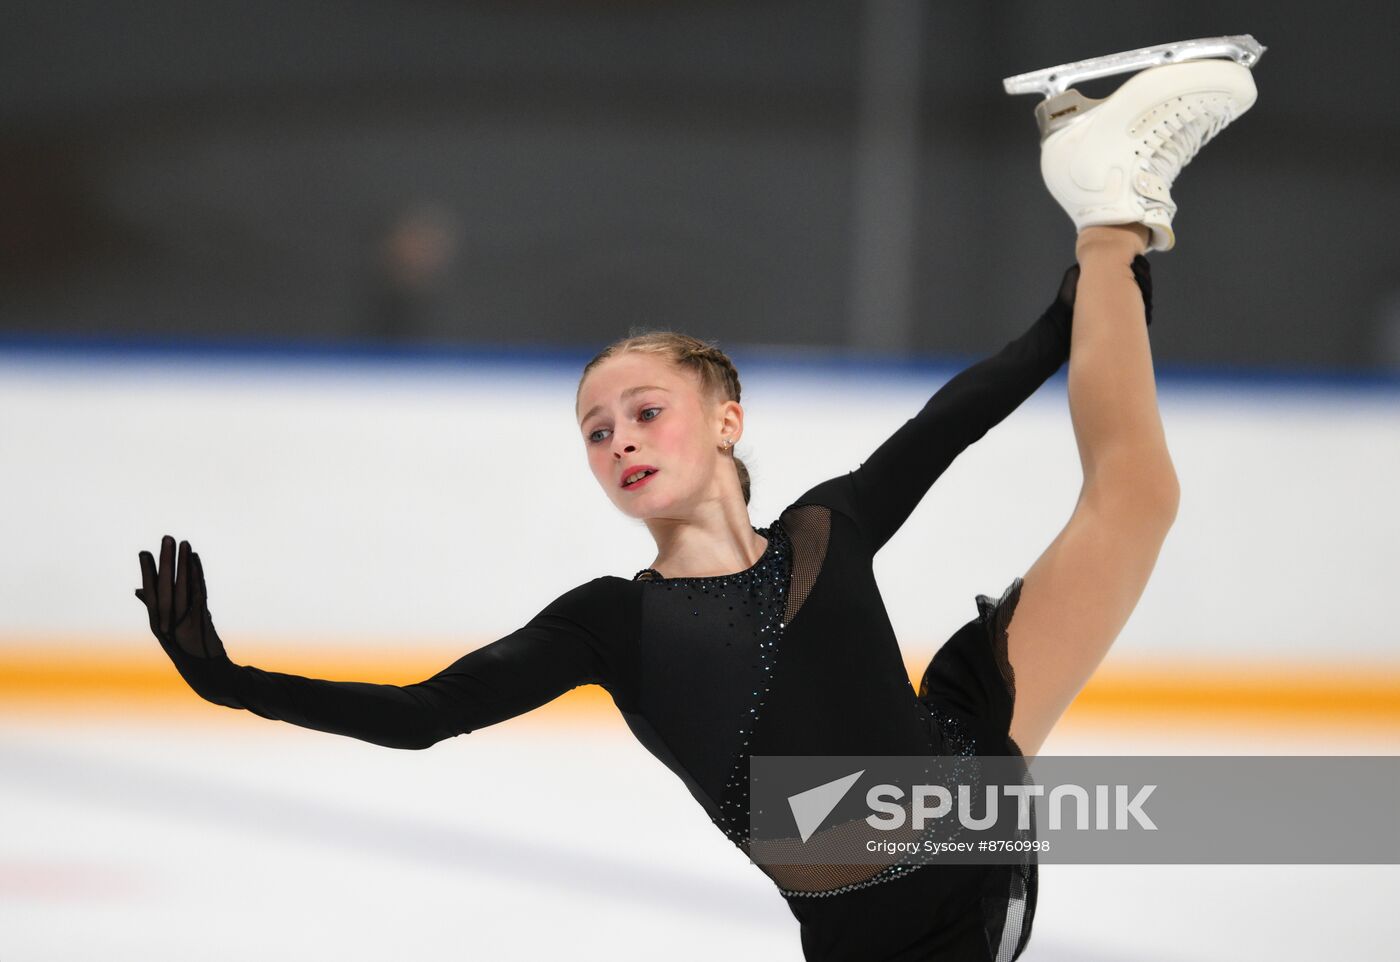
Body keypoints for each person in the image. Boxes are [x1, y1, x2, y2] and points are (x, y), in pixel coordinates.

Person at [136, 57, 1257, 962]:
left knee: (1137, 497)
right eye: (595, 427)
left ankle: (1106, 199)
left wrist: (1092, 293)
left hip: (967, 769)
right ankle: (1100, 202)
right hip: (886, 935)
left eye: (644, 409)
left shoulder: (828, 526)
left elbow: (957, 412)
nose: (619, 436)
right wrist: (230, 680)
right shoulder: (606, 625)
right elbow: (423, 711)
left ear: (724, 420)